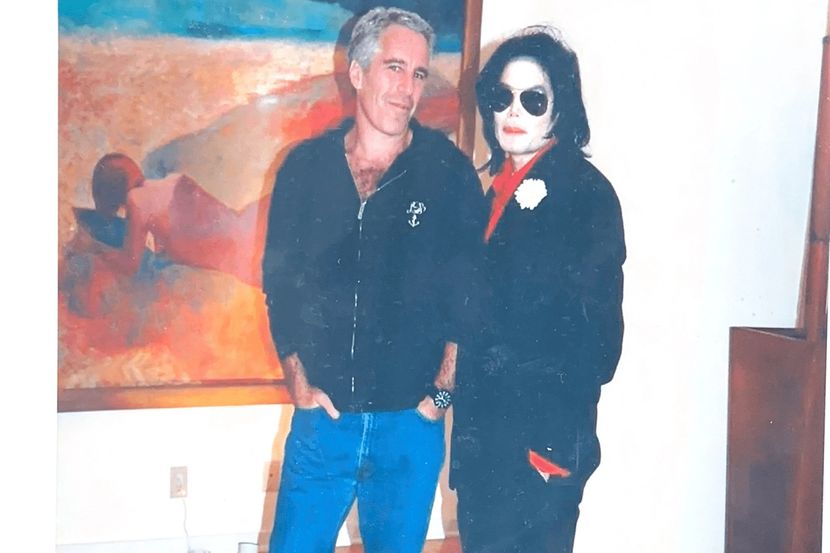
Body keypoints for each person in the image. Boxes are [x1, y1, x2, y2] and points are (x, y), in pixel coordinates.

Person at [261, 7, 486, 553]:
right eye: (394, 68)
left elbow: (470, 298)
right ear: (358, 73)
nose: (407, 89)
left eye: (418, 74)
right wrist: (298, 381)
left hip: (408, 428)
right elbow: (280, 286)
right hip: (324, 425)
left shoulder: (448, 173)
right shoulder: (304, 170)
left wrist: (438, 397)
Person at [451, 26, 626, 553]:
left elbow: (599, 346)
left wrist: (549, 450)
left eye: (533, 99)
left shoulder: (585, 194)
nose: (513, 111)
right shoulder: (495, 190)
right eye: (502, 96)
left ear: (560, 108)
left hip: (536, 453)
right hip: (486, 450)